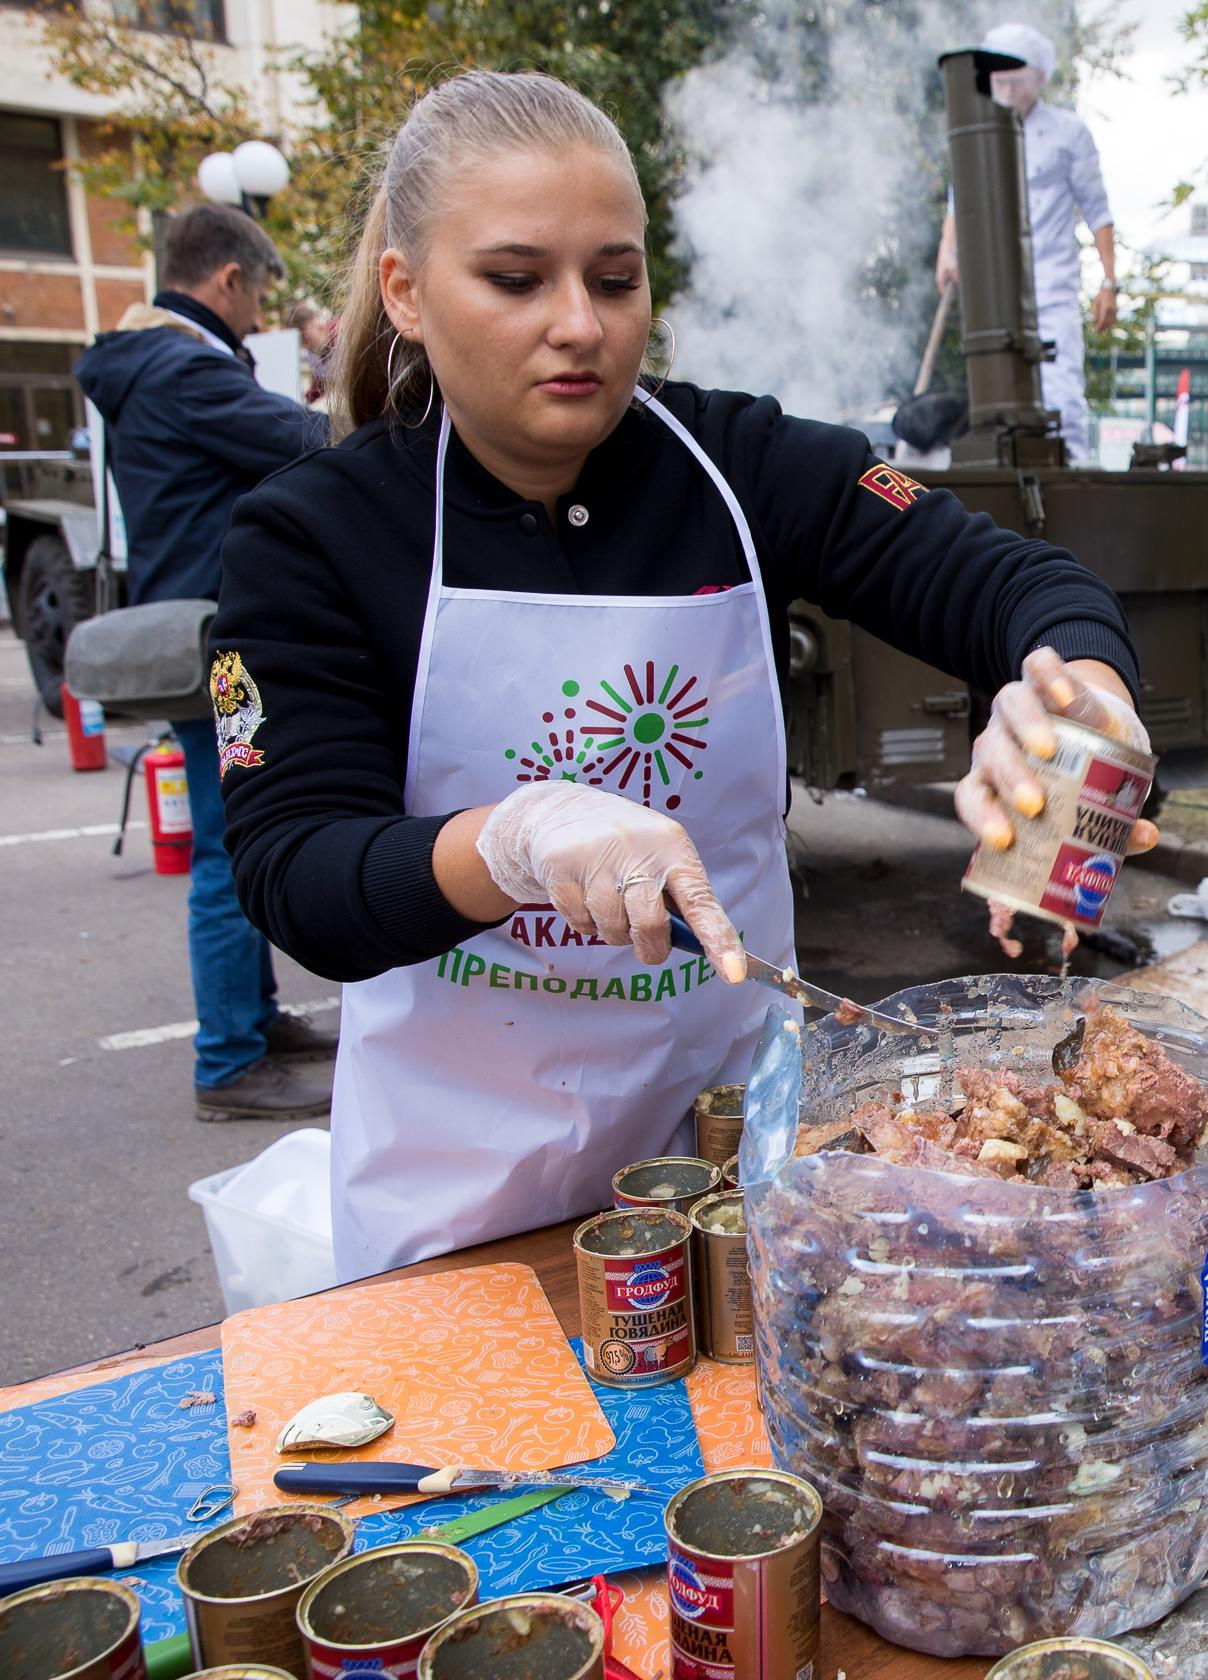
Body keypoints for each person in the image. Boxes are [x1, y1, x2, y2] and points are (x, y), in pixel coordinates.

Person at [212, 70, 1148, 1282]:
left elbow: (1018, 584)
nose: (581, 327)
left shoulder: (743, 466)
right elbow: (298, 875)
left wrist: (1077, 700)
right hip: (455, 1196)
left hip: (734, 1154)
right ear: (404, 291)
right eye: (515, 280)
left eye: (615, 279)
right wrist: (512, 842)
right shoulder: (311, 533)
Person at [75, 204, 336, 1121]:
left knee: (232, 837)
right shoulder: (183, 369)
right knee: (232, 847)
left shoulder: (143, 364)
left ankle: (255, 1022)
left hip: (189, 618)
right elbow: (305, 441)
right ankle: (229, 1059)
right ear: (228, 279)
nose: (258, 308)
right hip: (218, 640)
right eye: (259, 292)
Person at [935, 23, 1115, 464]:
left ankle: (1066, 470)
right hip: (993, 291)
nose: (1008, 89)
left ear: (1040, 78)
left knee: (1060, 392)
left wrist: (1110, 280)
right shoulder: (980, 129)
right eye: (1000, 81)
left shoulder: (1068, 133)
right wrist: (948, 249)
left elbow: (1098, 209)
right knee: (991, 394)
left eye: (1016, 79)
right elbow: (961, 195)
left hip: (1050, 284)